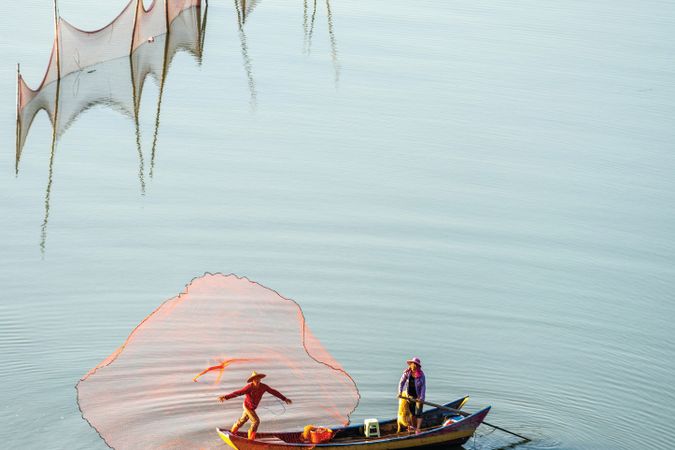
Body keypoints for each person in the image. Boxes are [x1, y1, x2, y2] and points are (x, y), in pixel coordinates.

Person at [219, 371, 292, 440]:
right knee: (256, 421)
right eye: (255, 379)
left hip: (252, 408)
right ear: (252, 380)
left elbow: (273, 392)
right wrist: (226, 397)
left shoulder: (264, 387)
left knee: (242, 421)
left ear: (260, 379)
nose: (257, 381)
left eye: (258, 379)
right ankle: (251, 439)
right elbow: (238, 392)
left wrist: (284, 399)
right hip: (247, 406)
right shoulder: (249, 387)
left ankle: (232, 432)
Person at [398, 357, 426, 433]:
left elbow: (423, 387)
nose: (414, 367)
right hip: (409, 396)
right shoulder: (407, 373)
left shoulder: (421, 375)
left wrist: (421, 398)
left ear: (417, 366)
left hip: (418, 396)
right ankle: (413, 426)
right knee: (412, 413)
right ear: (411, 365)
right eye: (413, 365)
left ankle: (418, 428)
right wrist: (400, 392)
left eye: (415, 366)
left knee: (418, 413)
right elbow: (401, 382)